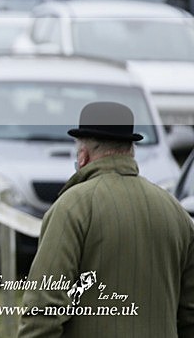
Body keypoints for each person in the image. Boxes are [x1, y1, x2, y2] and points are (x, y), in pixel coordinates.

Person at [18, 101, 194, 337]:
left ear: (82, 156)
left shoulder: (73, 206)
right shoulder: (176, 212)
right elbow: (189, 313)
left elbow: (43, 308)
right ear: (130, 150)